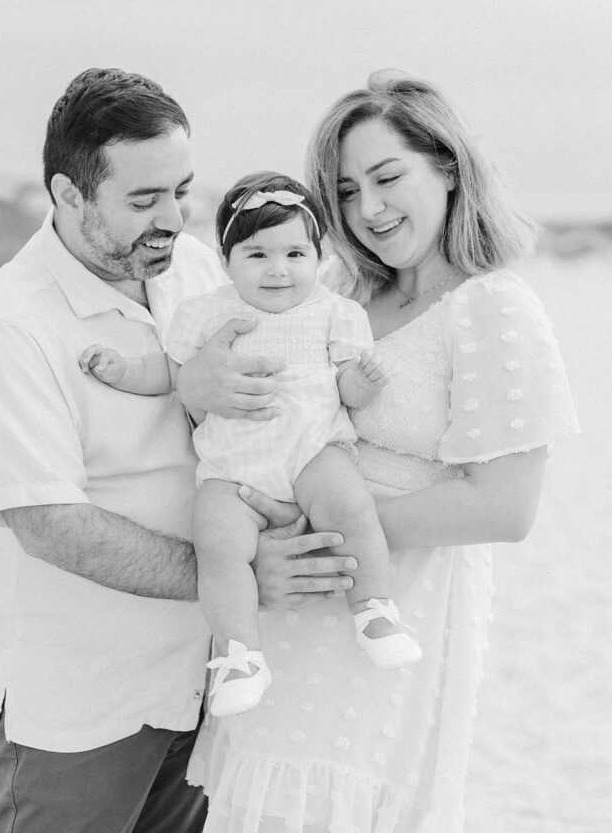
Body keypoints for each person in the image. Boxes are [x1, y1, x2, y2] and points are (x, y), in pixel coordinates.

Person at [0, 68, 360, 833]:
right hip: (82, 707)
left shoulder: (199, 269)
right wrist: (233, 572)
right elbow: (48, 524)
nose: (171, 217)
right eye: (143, 200)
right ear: (68, 195)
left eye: (181, 190)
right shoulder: (7, 324)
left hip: (204, 683)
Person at [182, 72, 579, 833]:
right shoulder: (339, 293)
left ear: (448, 166)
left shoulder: (490, 305)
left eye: (388, 176)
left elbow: (505, 506)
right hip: (290, 616)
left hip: (392, 617)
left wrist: (324, 531)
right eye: (345, 189)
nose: (369, 208)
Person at [80, 170, 422, 718]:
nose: (278, 270)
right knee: (218, 546)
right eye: (257, 255)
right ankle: (240, 654)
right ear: (226, 259)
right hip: (232, 470)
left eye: (294, 254)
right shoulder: (208, 313)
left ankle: (374, 608)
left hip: (312, 450)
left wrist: (365, 382)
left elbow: (346, 391)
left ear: (318, 255)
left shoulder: (335, 313)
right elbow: (170, 371)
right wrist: (121, 369)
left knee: (351, 507)